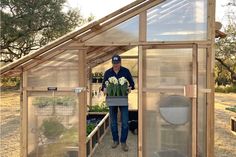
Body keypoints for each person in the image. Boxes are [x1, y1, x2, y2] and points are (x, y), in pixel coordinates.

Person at [101, 54, 135, 152]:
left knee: (125, 122)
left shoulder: (126, 71)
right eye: (114, 63)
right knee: (113, 122)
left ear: (120, 62)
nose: (116, 65)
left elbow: (132, 84)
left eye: (117, 63)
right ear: (112, 63)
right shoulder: (108, 73)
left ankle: (123, 142)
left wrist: (130, 88)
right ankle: (115, 140)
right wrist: (104, 89)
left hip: (123, 99)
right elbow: (103, 85)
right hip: (112, 100)